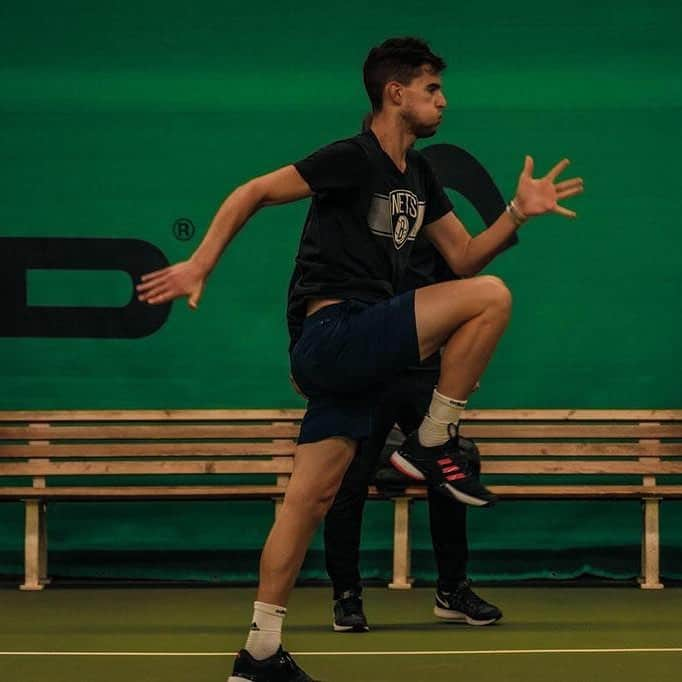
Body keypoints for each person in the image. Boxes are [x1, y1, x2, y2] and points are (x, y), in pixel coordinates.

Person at [137, 36, 583, 682]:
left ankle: (259, 651)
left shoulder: (421, 176)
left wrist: (517, 212)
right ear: (395, 93)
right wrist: (200, 263)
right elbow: (255, 191)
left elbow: (461, 256)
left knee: (307, 499)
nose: (443, 101)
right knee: (491, 300)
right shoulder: (353, 159)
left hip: (356, 354)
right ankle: (433, 440)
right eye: (433, 89)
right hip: (335, 332)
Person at [326, 237, 502, 634]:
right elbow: (323, 294)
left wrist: (463, 361)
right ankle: (346, 595)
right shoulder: (350, 225)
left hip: (423, 367)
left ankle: (453, 591)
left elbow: (457, 294)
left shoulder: (432, 220)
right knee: (347, 481)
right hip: (365, 369)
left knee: (446, 468)